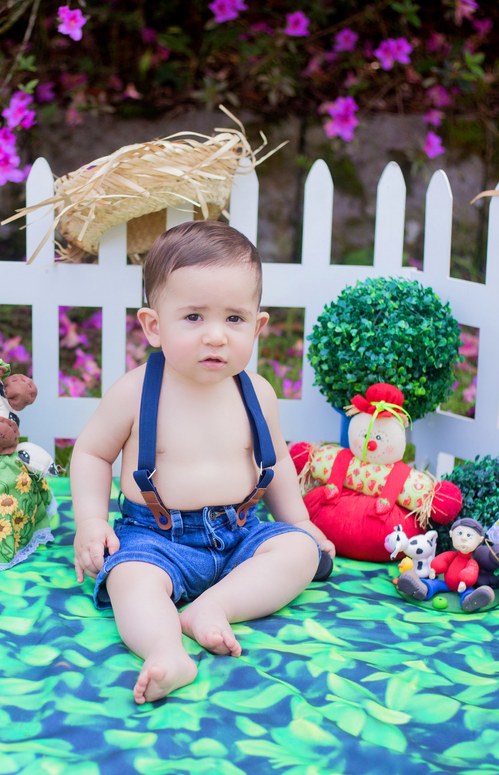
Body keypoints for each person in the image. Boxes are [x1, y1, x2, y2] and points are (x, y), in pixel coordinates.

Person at [70, 220, 336, 704]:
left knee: (299, 552)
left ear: (257, 327)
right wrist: (91, 520)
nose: (215, 336)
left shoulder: (257, 393)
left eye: (234, 319)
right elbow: (91, 453)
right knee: (130, 579)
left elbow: (275, 462)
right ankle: (165, 650)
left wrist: (300, 522)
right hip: (156, 538)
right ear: (154, 326)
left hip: (241, 532)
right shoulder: (135, 392)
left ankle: (213, 607)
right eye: (193, 317)